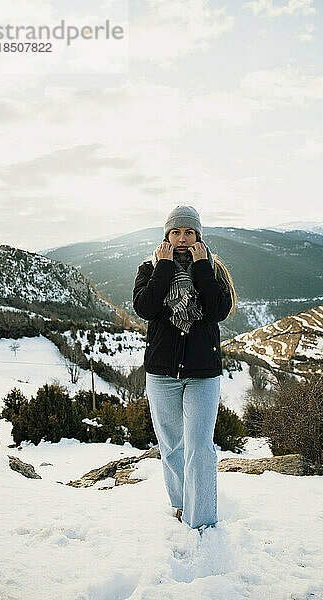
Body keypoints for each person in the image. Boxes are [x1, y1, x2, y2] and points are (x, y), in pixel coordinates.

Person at [132, 205, 236, 534]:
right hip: (162, 372)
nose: (181, 239)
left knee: (200, 447)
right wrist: (164, 267)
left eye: (188, 232)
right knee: (172, 445)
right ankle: (180, 504)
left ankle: (202, 522)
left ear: (198, 237)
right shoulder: (149, 269)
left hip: (202, 371)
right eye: (175, 233)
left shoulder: (213, 269)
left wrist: (203, 266)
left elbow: (218, 310)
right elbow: (146, 308)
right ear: (166, 237)